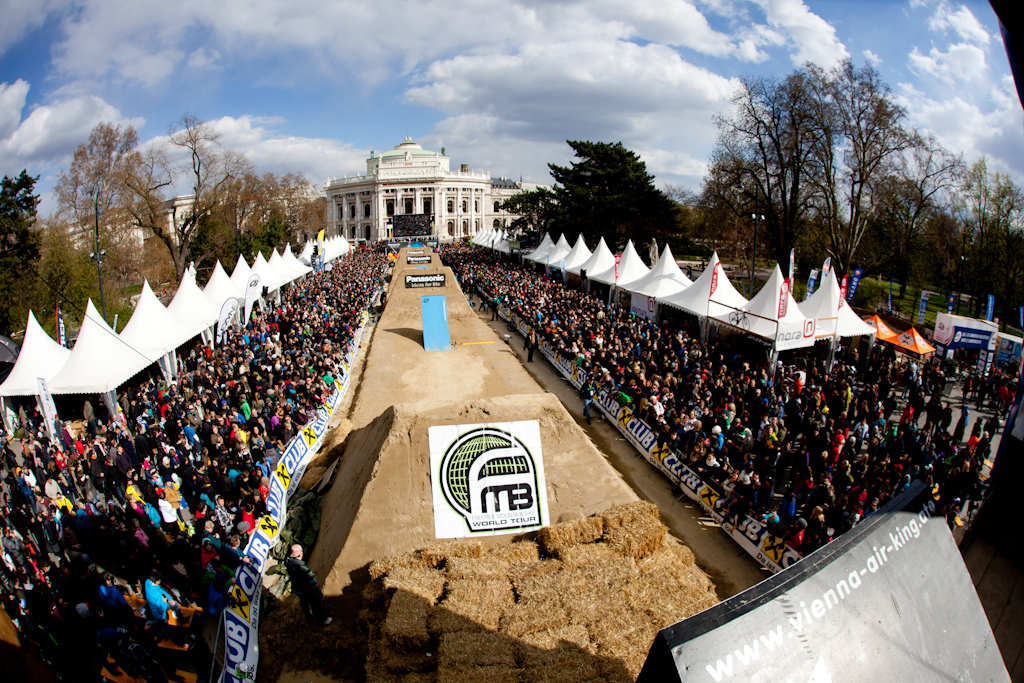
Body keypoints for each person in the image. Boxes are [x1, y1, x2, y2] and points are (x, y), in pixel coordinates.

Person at [284, 544, 332, 626]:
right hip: (307, 592)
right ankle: (321, 621)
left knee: (304, 604)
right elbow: (312, 584)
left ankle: (308, 617)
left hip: (298, 590)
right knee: (316, 606)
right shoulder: (304, 569)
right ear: (299, 555)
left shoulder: (288, 563)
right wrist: (319, 595)